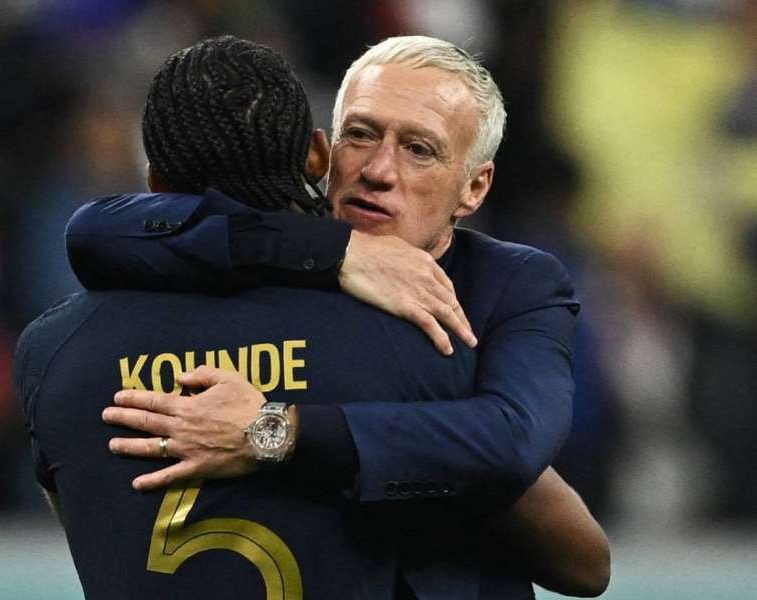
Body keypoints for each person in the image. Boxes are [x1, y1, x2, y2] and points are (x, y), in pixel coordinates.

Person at [62, 36, 609, 598]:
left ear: (474, 187)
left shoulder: (512, 283)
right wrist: (332, 251)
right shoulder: (292, 259)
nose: (377, 170)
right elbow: (96, 230)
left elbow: (516, 446)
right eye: (361, 134)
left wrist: (276, 430)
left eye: (418, 149)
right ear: (324, 150)